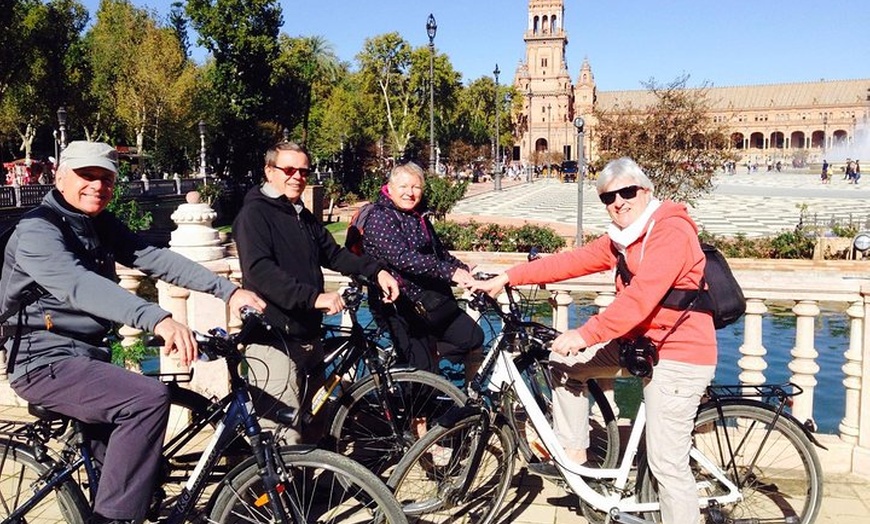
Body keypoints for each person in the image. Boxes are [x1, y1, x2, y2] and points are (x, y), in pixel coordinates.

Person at [0, 141, 266, 524]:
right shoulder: (37, 232)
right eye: (86, 175)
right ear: (59, 177)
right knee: (147, 399)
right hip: (43, 363)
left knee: (143, 470)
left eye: (106, 178)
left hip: (88, 358)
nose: (97, 185)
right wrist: (156, 319)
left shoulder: (97, 223)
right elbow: (78, 284)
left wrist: (228, 289)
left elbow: (153, 258)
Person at [467, 157, 716, 524]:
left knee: (667, 465)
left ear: (645, 191)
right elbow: (571, 261)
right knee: (564, 365)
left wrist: (585, 334)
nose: (619, 202)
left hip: (680, 353)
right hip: (641, 345)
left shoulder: (671, 231)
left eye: (627, 192)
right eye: (608, 197)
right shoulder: (623, 240)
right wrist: (508, 277)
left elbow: (641, 298)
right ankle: (575, 457)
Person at [232, 141, 400, 444]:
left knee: (315, 420)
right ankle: (275, 492)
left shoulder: (300, 214)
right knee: (284, 436)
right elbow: (260, 271)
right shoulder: (254, 215)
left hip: (308, 333)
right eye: (289, 169)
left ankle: (308, 489)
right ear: (270, 171)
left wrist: (377, 271)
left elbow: (334, 255)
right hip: (274, 338)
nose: (297, 176)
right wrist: (314, 299)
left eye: (304, 171)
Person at [360, 161, 484, 388]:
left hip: (431, 301)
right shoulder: (380, 217)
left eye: (416, 187)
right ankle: (417, 419)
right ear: (390, 187)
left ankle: (422, 357)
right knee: (422, 380)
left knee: (473, 337)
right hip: (400, 305)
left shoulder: (419, 216)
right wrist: (450, 272)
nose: (410, 192)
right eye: (404, 186)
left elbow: (439, 253)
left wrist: (463, 269)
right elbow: (403, 258)